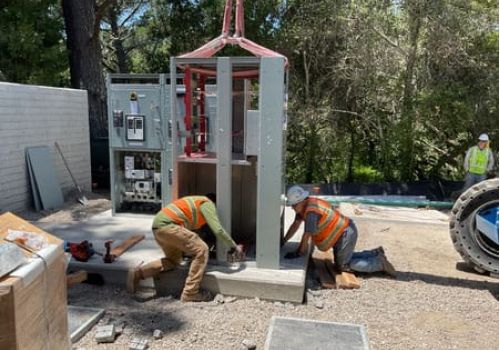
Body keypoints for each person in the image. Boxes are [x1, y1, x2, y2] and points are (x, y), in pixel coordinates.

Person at [127, 194, 244, 302]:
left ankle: (138, 273)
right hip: (169, 226)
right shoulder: (207, 203)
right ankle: (190, 293)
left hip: (158, 229)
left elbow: (188, 233)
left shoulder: (195, 204)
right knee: (202, 250)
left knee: (173, 261)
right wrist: (234, 246)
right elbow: (218, 229)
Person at [282, 186, 396, 277]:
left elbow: (307, 234)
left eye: (294, 205)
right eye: (292, 205)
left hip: (345, 233)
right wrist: (284, 240)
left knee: (343, 265)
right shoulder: (305, 207)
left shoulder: (311, 212)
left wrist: (299, 252)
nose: (293, 207)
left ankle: (379, 264)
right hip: (343, 232)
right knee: (345, 259)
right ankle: (374, 253)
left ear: (302, 201)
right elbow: (295, 225)